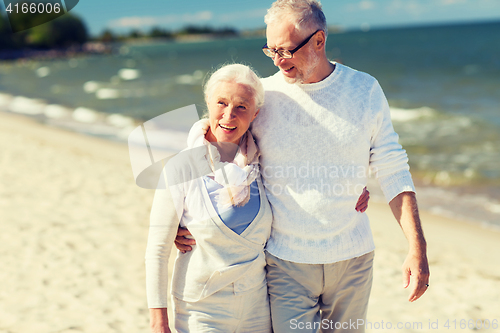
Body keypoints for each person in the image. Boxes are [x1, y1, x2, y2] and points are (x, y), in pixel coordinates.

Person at [175, 1, 430, 332]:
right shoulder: (263, 96)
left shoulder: (364, 90)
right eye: (271, 50)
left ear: (319, 41)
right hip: (284, 262)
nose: (279, 60)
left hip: (353, 259)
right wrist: (183, 214)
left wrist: (416, 248)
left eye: (287, 50)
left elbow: (393, 168)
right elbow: (213, 136)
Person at [146, 63, 373, 333]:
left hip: (256, 307)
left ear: (255, 113)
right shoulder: (181, 168)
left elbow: (309, 172)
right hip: (202, 309)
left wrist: (352, 187)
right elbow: (157, 250)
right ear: (207, 102)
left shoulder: (263, 162)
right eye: (221, 103)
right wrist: (158, 321)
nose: (229, 115)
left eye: (241, 106)